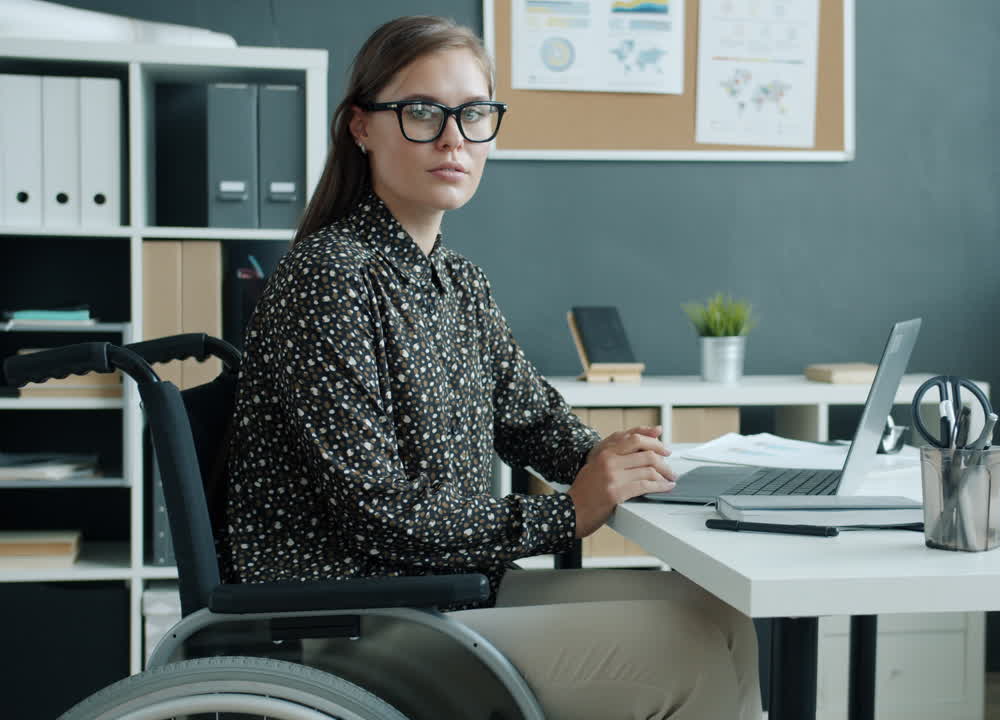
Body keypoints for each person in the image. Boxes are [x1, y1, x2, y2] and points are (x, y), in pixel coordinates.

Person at [223, 15, 762, 720]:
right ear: (361, 127)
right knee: (685, 655)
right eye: (422, 112)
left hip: (436, 591)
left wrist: (622, 462)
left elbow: (533, 421)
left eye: (474, 114)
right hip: (350, 618)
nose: (454, 138)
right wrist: (569, 512)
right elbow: (381, 516)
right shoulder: (332, 277)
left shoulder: (456, 279)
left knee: (726, 615)